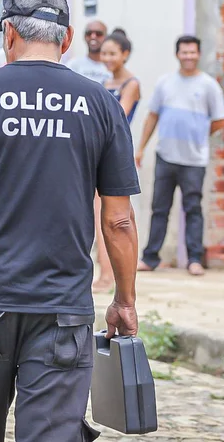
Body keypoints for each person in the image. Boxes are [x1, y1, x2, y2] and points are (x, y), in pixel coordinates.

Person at [0, 0, 141, 441]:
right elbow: (118, 219)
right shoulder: (101, 104)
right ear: (68, 37)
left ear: (9, 35)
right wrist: (124, 299)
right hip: (63, 308)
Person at [134, 35, 224, 276]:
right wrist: (141, 147)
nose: (188, 56)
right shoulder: (165, 83)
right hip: (166, 156)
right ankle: (150, 258)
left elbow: (220, 120)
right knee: (159, 209)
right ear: (177, 54)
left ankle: (194, 259)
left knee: (193, 209)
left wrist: (199, 134)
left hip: (194, 160)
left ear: (198, 54)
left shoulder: (208, 85)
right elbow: (152, 116)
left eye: (192, 52)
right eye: (184, 52)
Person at [91, 31, 141, 291]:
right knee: (103, 216)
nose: (107, 58)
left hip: (116, 152)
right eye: (105, 53)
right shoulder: (103, 83)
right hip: (99, 151)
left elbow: (117, 115)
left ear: (125, 54)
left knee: (118, 219)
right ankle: (107, 274)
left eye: (113, 53)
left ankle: (112, 277)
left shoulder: (130, 83)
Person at [66, 19, 113, 85]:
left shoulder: (112, 66)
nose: (93, 36)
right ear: (84, 36)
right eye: (89, 33)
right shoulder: (73, 65)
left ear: (106, 37)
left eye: (98, 34)